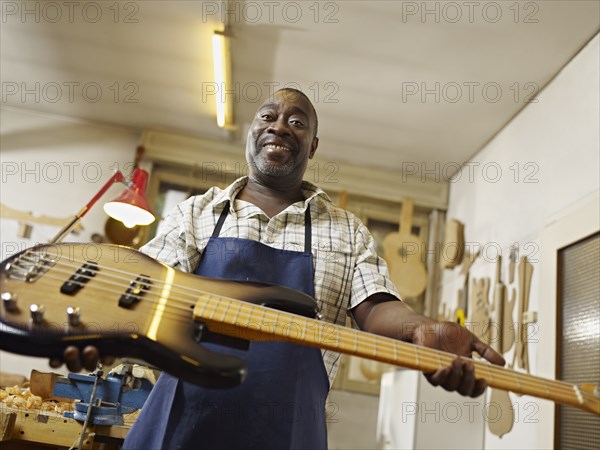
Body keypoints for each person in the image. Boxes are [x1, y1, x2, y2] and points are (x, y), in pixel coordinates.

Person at [54, 88, 505, 449]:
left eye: (296, 121)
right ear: (252, 132)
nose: (280, 126)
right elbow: (143, 286)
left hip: (288, 430)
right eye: (268, 116)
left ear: (313, 143)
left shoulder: (345, 230)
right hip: (179, 425)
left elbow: (376, 307)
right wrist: (102, 326)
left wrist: (422, 331)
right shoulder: (200, 213)